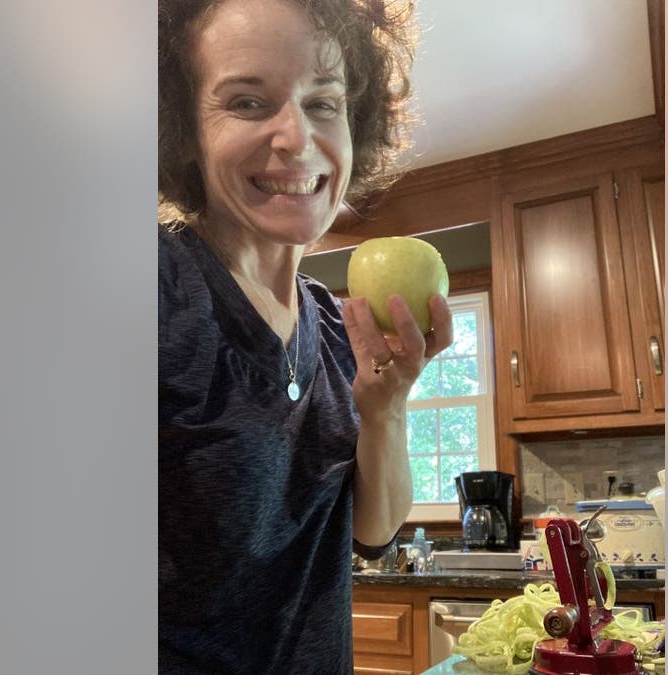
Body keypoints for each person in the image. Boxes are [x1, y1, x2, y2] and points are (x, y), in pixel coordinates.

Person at [157, 0, 450, 672]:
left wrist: (388, 408)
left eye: (324, 102)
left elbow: (372, 533)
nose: (298, 138)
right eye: (248, 102)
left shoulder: (338, 324)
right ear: (183, 131)